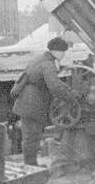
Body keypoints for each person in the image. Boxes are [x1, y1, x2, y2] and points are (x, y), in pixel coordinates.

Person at [12, 37, 77, 166]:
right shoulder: (48, 64)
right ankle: (31, 166)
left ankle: (30, 164)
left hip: (27, 101)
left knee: (29, 136)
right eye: (63, 51)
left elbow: (54, 83)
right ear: (56, 51)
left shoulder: (39, 59)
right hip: (32, 103)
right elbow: (54, 85)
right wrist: (70, 97)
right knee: (32, 136)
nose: (64, 55)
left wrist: (66, 90)